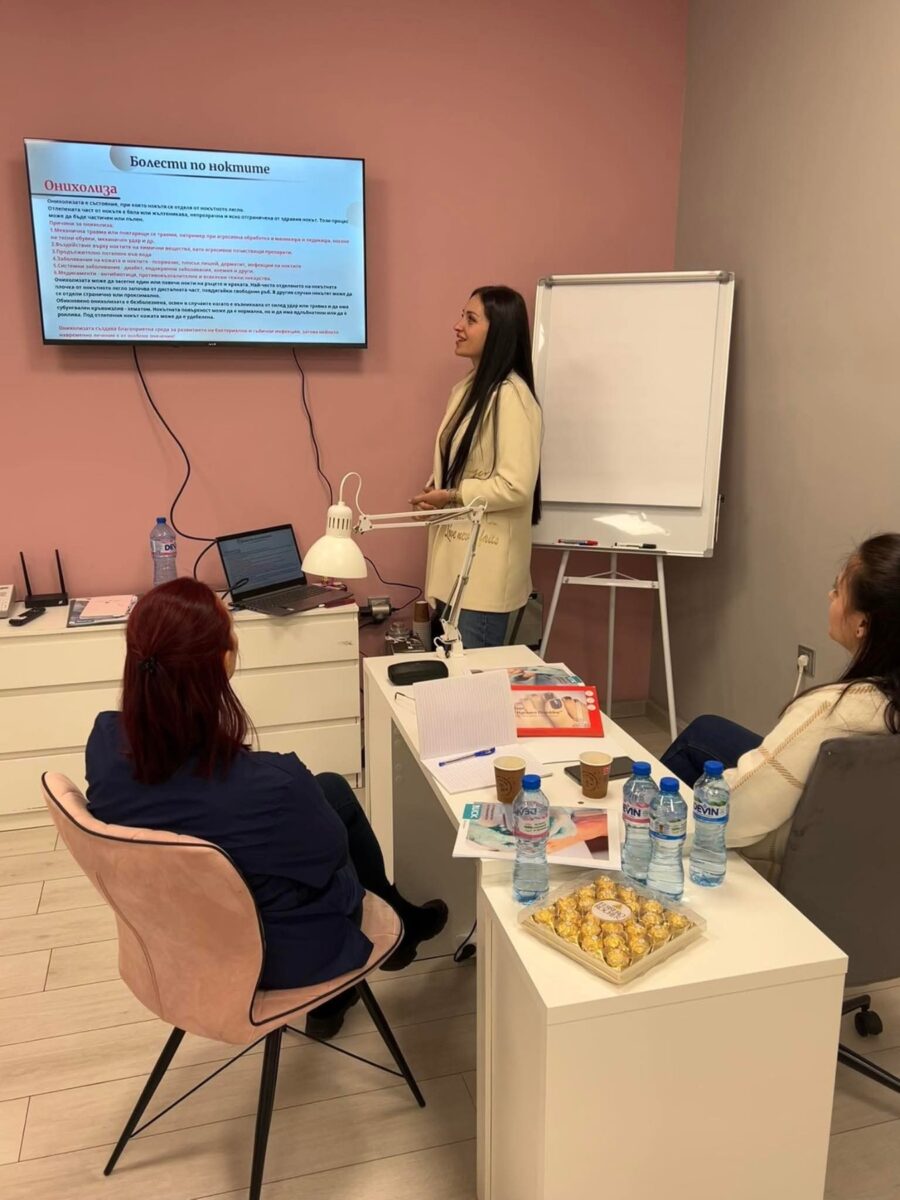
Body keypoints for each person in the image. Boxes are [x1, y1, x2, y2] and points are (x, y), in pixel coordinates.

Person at [85, 578, 447, 1038]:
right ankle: (359, 969)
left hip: (169, 946)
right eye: (231, 627)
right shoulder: (271, 786)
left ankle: (401, 928)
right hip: (275, 957)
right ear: (223, 660)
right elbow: (331, 859)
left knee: (331, 789)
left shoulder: (104, 745)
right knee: (334, 818)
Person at [661, 533, 900, 880]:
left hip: (794, 844)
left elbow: (741, 811)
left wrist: (658, 822)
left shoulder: (835, 711)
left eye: (837, 591)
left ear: (862, 623)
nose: (829, 597)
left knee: (699, 762)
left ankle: (652, 843)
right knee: (706, 731)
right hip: (868, 841)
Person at [412, 285, 542, 649]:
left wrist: (453, 496)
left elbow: (516, 486)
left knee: (473, 680)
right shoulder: (466, 390)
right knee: (455, 674)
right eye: (462, 317)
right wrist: (435, 492)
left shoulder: (513, 397)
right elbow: (466, 460)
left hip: (484, 575)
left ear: (498, 331)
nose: (458, 326)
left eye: (471, 319)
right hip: (456, 566)